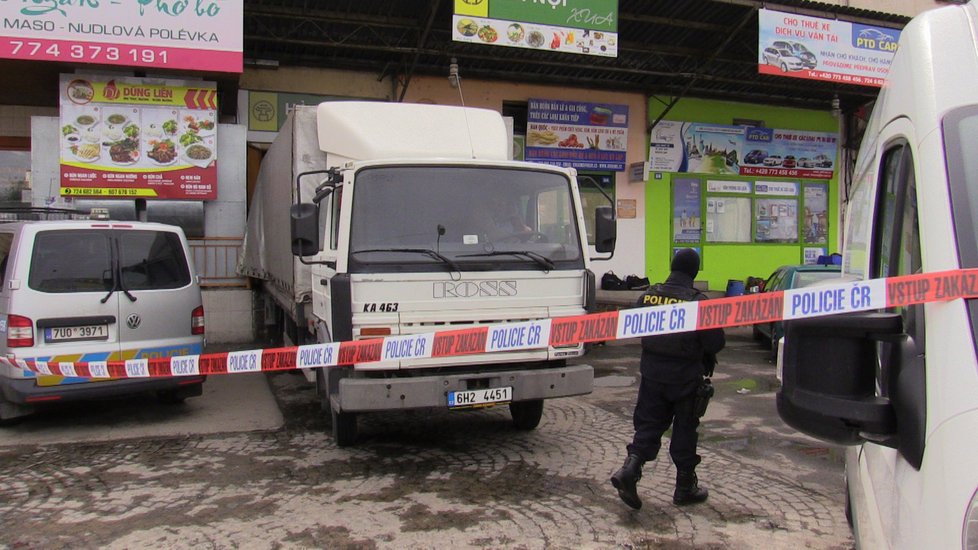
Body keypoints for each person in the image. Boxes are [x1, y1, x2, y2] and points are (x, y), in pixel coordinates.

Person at [610, 248, 725, 510]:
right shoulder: (698, 302)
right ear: (694, 272)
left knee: (648, 426)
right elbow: (716, 342)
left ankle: (630, 470)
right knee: (684, 430)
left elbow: (633, 326)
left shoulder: (648, 296)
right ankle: (685, 486)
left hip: (652, 375)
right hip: (685, 379)